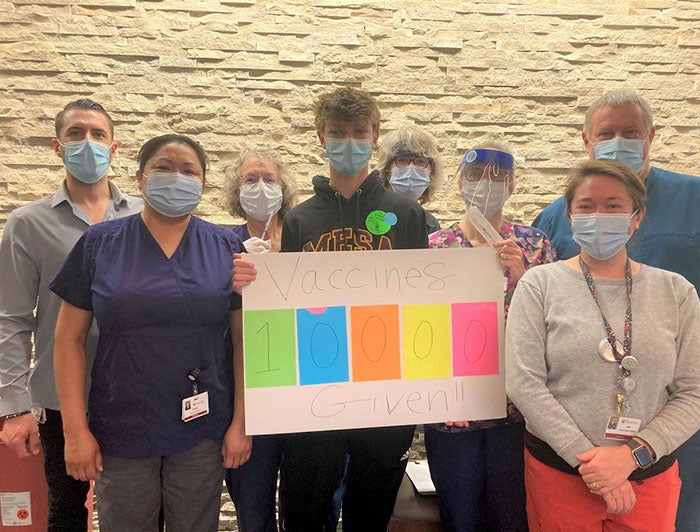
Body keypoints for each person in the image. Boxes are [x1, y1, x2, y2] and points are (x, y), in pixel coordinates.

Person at [233, 86, 428, 531]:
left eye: (359, 132)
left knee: (372, 509)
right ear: (321, 138)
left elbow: (423, 305)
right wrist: (254, 285)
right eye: (337, 132)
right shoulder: (300, 219)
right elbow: (287, 308)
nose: (349, 142)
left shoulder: (408, 215)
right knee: (306, 505)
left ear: (376, 136)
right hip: (315, 388)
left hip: (386, 390)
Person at [49, 134, 246, 531]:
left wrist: (242, 422)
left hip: (203, 424)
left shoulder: (227, 247)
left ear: (203, 184)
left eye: (189, 170)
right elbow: (67, 341)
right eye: (163, 168)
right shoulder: (99, 244)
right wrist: (74, 432)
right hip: (122, 424)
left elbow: (244, 342)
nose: (177, 176)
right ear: (140, 178)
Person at [531, 89, 700, 531]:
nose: (619, 140)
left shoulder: (694, 200)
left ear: (651, 137)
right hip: (572, 447)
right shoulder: (552, 219)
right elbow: (528, 367)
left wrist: (634, 456)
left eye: (630, 132)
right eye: (607, 133)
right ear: (587, 141)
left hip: (669, 413)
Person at [0, 99, 142, 531]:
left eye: (98, 135)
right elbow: (10, 317)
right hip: (63, 397)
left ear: (114, 148)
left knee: (137, 509)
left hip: (136, 390)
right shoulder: (28, 223)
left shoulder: (145, 215)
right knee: (65, 511)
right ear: (57, 146)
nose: (88, 143)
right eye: (76, 134)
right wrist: (14, 406)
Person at [424, 141, 555, 531]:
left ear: (513, 186)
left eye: (499, 176)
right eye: (476, 174)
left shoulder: (535, 245)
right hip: (454, 411)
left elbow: (559, 321)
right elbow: (421, 329)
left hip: (517, 411)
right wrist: (439, 396)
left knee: (511, 516)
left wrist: (524, 274)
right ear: (461, 182)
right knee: (459, 517)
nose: (486, 183)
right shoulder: (434, 247)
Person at [223, 146, 298, 532]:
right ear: (236, 191)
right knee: (253, 509)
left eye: (270, 179)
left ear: (284, 188)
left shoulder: (306, 239)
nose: (261, 186)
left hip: (305, 392)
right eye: (250, 179)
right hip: (248, 396)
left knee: (307, 506)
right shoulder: (221, 244)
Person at [376, 124, 445, 233]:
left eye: (420, 161)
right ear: (387, 168)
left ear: (431, 171)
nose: (411, 168)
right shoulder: (370, 218)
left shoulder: (430, 226)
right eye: (402, 160)